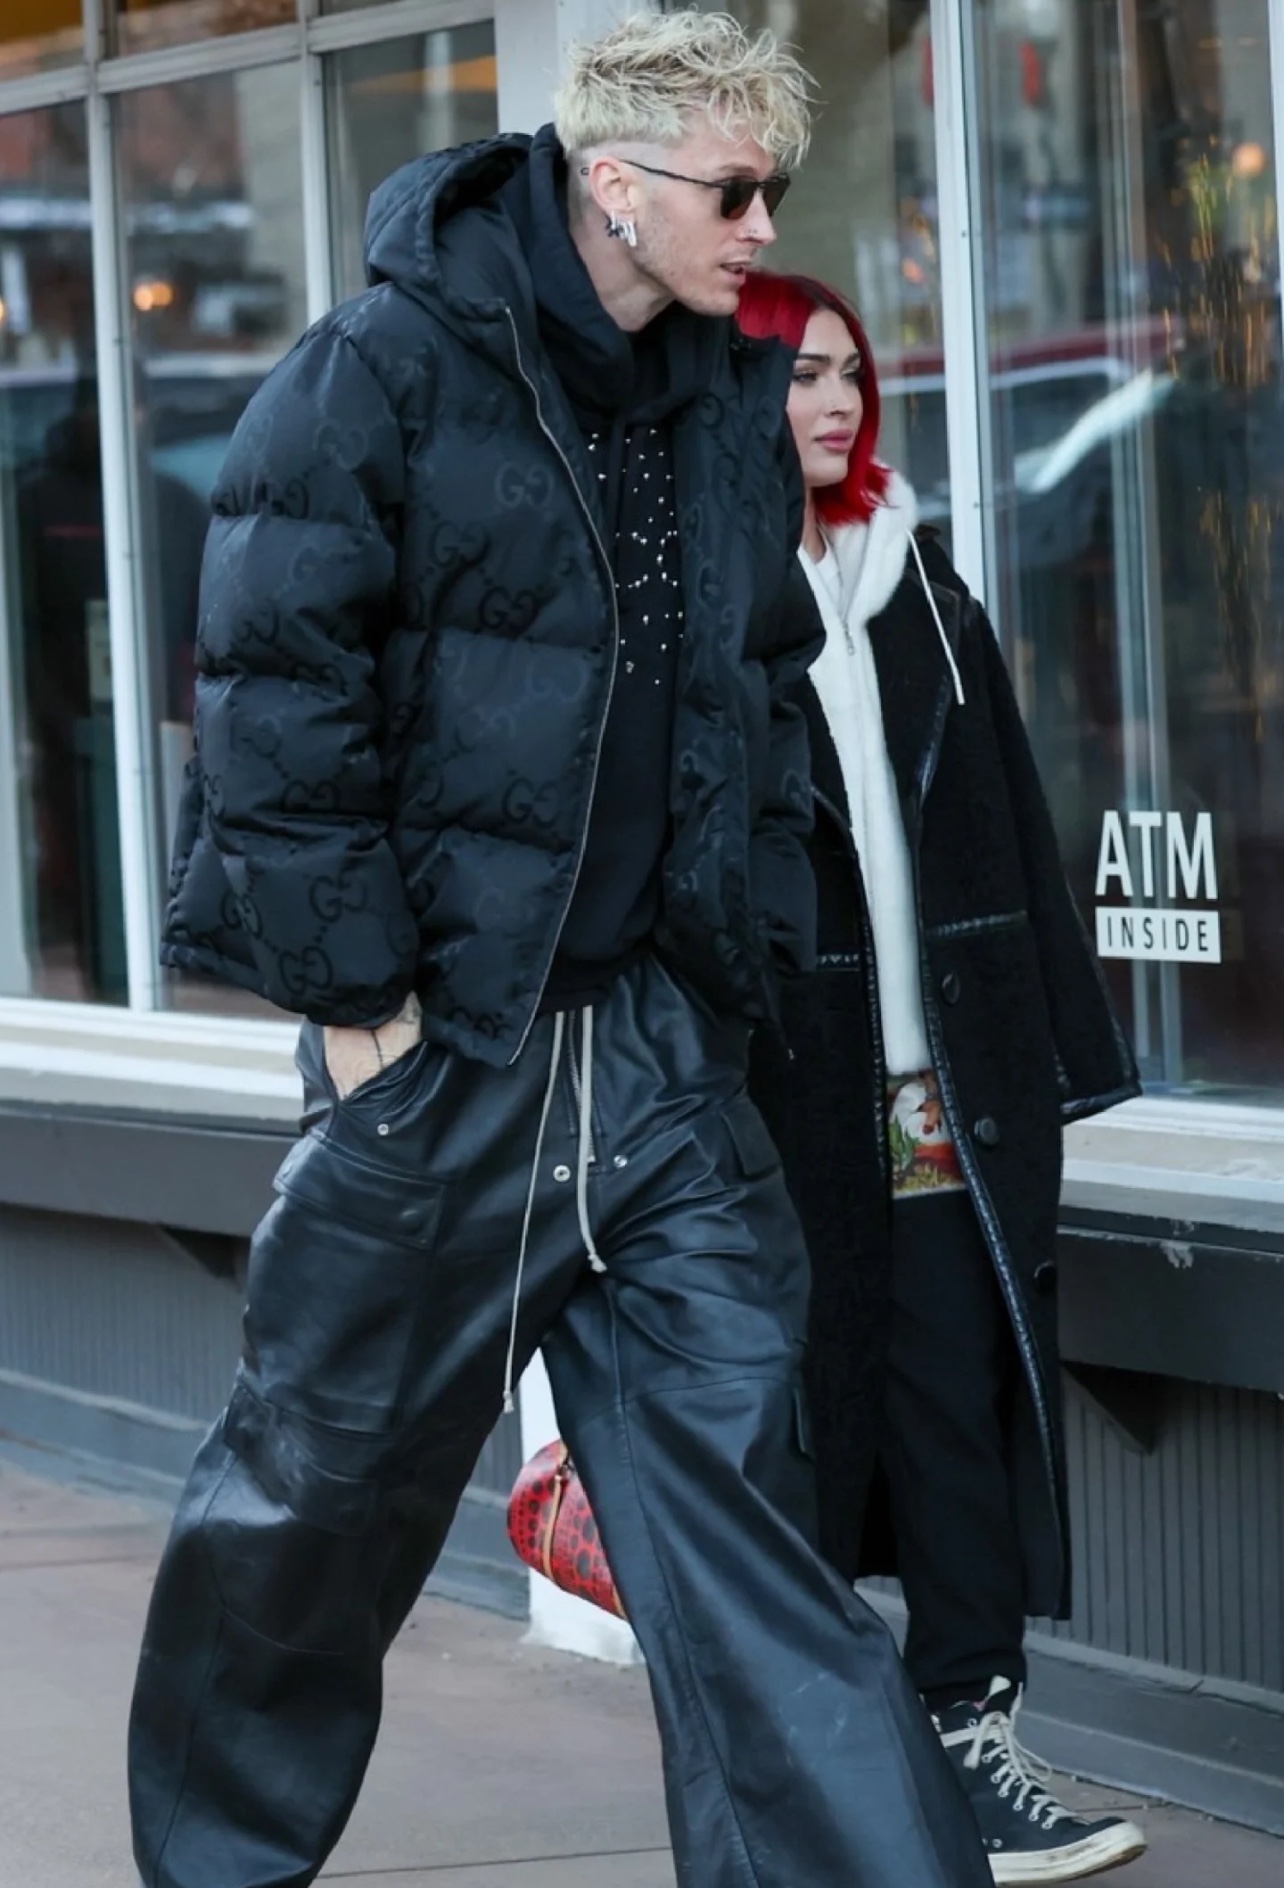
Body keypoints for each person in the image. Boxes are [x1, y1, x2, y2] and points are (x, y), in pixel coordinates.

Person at [127, 17, 996, 1888]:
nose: (764, 227)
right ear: (613, 182)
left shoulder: (723, 407)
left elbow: (760, 699)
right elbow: (271, 696)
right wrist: (364, 1010)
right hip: (448, 1066)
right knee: (312, 1517)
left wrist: (737, 965)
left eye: (776, 188)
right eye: (734, 190)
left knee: (752, 1544)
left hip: (665, 1071)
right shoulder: (380, 371)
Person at [738, 270, 1146, 1886]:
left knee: (954, 1417)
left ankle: (972, 1738)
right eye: (797, 373)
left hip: (937, 1098)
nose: (836, 400)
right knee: (800, 1434)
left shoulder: (920, 579)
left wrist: (1064, 1052)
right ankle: (821, 1775)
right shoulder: (703, 593)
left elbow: (1014, 827)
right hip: (778, 1099)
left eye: (850, 371)